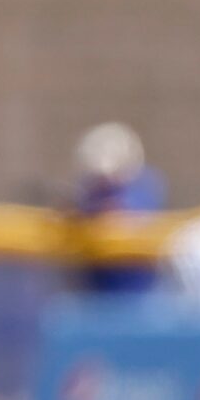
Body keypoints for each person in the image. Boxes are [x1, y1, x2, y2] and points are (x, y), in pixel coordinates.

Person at [68, 122, 166, 296]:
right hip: (97, 291)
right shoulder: (90, 191)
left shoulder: (143, 185)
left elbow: (122, 217)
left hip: (138, 292)